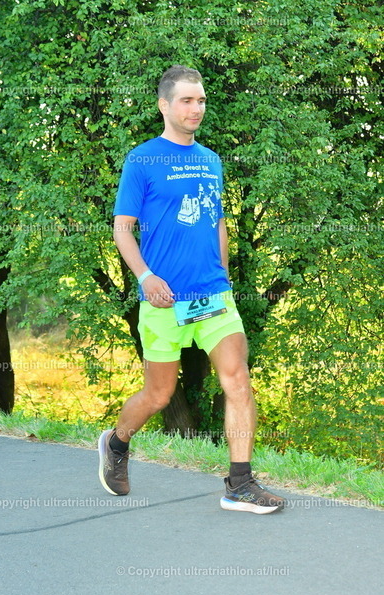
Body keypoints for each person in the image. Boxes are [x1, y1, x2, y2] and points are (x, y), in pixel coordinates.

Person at [98, 65, 285, 515]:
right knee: (159, 395)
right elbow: (122, 229)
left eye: (200, 100)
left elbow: (216, 221)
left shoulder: (210, 160)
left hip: (213, 295)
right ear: (164, 105)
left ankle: (239, 484)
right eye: (187, 100)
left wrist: (223, 277)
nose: (196, 108)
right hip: (164, 299)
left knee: (237, 380)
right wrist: (146, 277)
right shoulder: (142, 160)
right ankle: (117, 442)